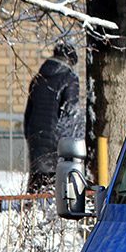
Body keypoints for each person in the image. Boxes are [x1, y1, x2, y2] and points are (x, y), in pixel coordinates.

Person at [23, 41, 80, 194]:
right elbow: (70, 115)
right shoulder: (69, 79)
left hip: (36, 138)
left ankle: (30, 212)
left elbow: (28, 115)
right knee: (57, 192)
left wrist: (30, 137)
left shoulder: (38, 79)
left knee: (36, 185)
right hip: (57, 142)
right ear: (71, 61)